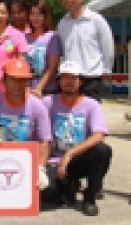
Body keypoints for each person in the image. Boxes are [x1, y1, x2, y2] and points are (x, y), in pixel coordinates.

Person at [42, 60, 112, 216]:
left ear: (81, 82)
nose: (69, 82)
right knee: (49, 197)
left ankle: (90, 196)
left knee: (103, 151)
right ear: (59, 81)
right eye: (65, 77)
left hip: (79, 159)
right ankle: (68, 187)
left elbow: (99, 134)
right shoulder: (48, 102)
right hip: (53, 162)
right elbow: (42, 135)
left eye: (73, 78)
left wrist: (70, 154)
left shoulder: (92, 105)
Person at [0, 59, 51, 190]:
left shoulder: (38, 106)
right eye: (13, 79)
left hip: (27, 160)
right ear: (4, 80)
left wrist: (40, 168)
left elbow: (44, 141)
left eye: (22, 80)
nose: (18, 84)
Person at [57, 0, 115, 102]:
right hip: (70, 77)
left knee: (91, 115)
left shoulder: (96, 20)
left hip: (91, 77)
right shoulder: (62, 24)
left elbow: (108, 45)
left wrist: (107, 69)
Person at [26, 0, 61, 98]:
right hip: (27, 90)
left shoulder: (52, 37)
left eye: (40, 14)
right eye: (32, 14)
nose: (36, 18)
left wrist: (39, 88)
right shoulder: (24, 37)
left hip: (47, 91)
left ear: (46, 16)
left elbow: (52, 67)